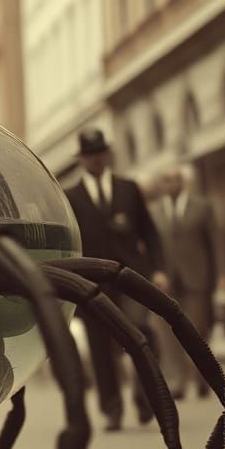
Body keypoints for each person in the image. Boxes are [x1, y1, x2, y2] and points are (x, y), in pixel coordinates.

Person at [63, 127, 167, 430]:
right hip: (91, 285)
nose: (96, 160)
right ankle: (111, 408)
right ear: (82, 159)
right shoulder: (71, 197)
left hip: (132, 280)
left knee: (142, 334)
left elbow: (150, 232)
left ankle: (144, 398)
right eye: (90, 155)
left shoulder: (129, 188)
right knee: (99, 348)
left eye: (100, 154)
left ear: (107, 155)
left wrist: (158, 269)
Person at [152, 163, 225, 398]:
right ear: (161, 185)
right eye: (167, 179)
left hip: (197, 278)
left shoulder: (202, 207)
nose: (171, 183)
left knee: (197, 330)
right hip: (165, 282)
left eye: (176, 179)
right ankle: (178, 382)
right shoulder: (153, 212)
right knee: (168, 332)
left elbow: (216, 243)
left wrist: (222, 274)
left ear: (183, 182)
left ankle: (201, 378)